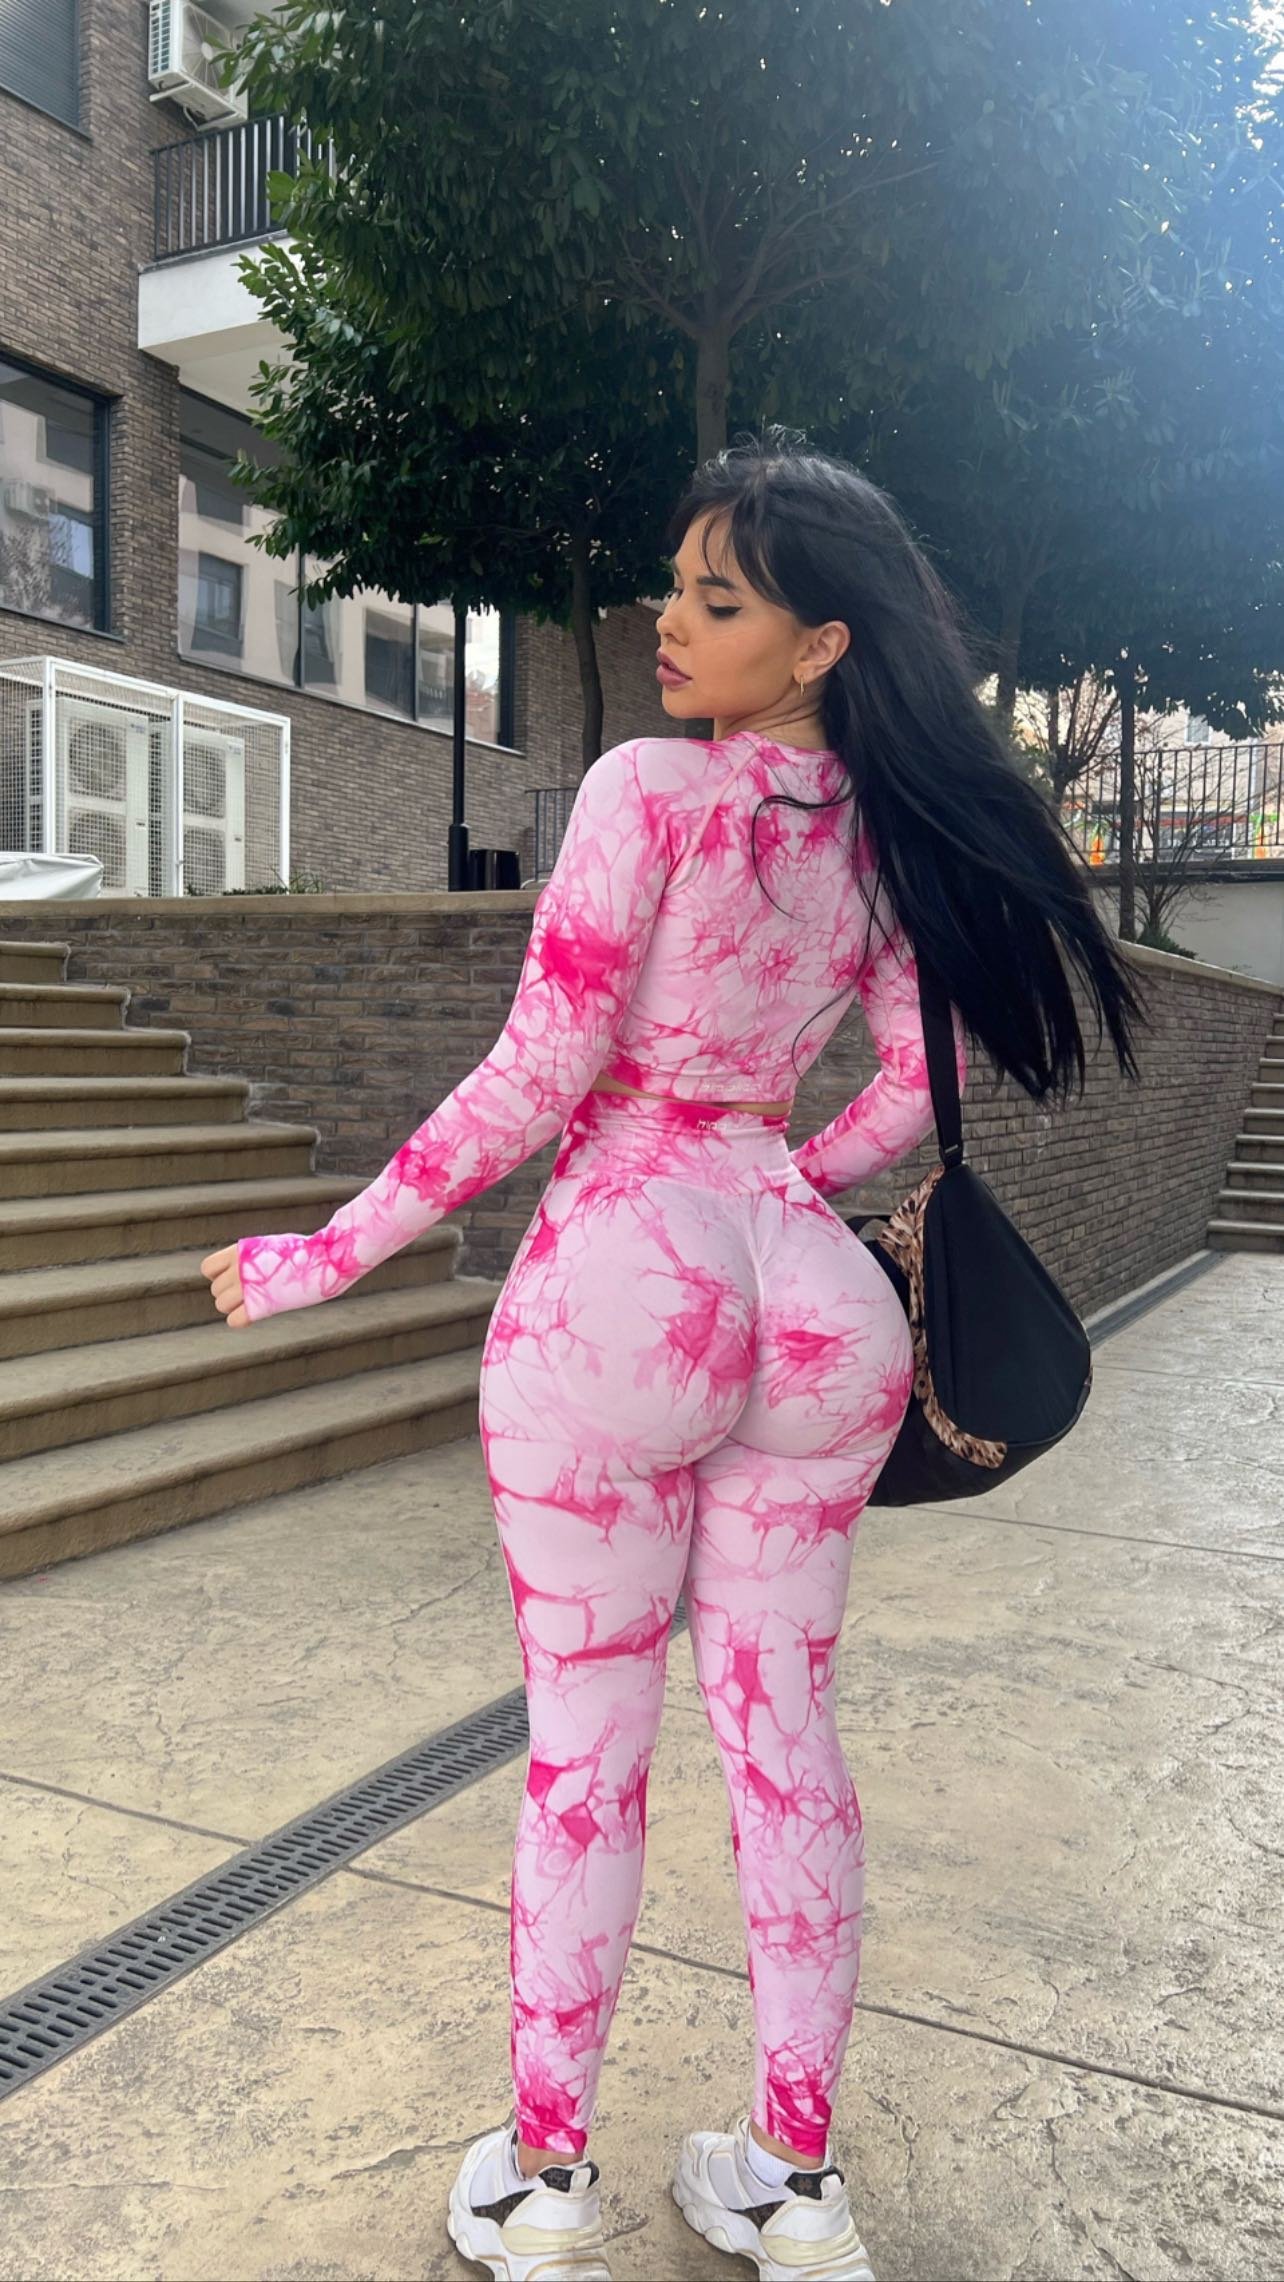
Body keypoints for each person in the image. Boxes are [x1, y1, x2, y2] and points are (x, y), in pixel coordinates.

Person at [201, 428, 1143, 2282]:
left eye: (719, 598)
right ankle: (792, 2185)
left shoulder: (646, 790)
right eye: (678, 583)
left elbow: (538, 1072)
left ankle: (547, 2180)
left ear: (820, 644)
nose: (670, 618)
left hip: (622, 1287)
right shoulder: (886, 836)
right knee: (788, 1743)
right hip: (812, 1302)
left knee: (589, 1751)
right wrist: (781, 1178)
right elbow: (910, 1085)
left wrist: (331, 1252)